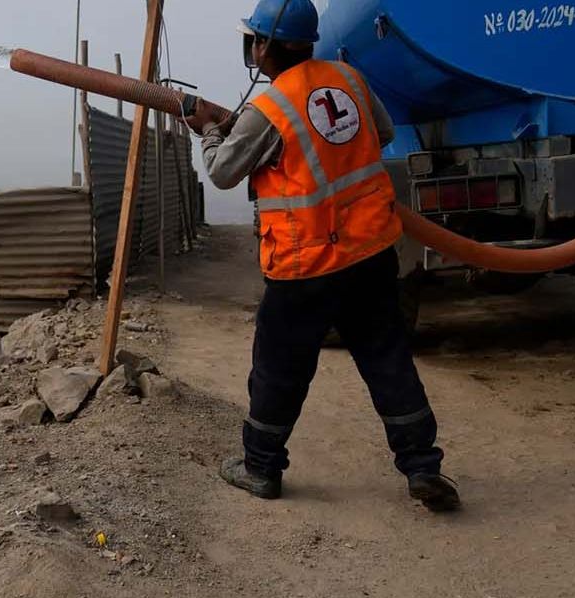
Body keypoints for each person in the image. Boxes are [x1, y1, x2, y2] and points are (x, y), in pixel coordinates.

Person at [185, 0, 460, 512]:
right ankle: (423, 466)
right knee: (387, 360)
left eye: (252, 39)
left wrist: (208, 129)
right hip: (370, 254)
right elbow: (381, 135)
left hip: (304, 265)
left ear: (263, 46)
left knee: (279, 370)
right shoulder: (349, 80)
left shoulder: (267, 111)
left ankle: (260, 467)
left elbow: (223, 171)